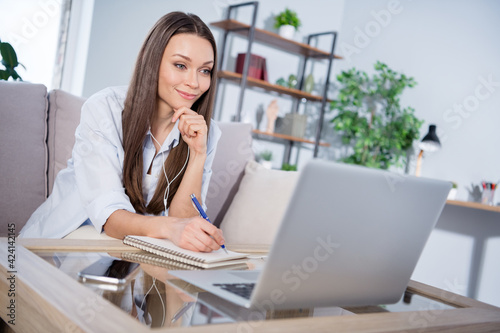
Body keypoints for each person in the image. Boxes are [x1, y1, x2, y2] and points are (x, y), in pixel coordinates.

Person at [19, 12, 225, 252]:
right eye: (180, 65)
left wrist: (197, 154)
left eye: (205, 71)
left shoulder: (205, 131)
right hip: (59, 247)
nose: (194, 82)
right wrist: (171, 228)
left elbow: (184, 219)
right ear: (152, 61)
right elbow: (111, 218)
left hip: (127, 258)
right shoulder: (105, 109)